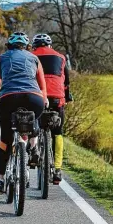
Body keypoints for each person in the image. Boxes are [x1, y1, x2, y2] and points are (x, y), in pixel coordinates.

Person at [0, 32, 48, 194]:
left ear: (9, 46)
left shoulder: (1, 58)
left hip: (8, 98)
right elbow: (42, 84)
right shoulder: (34, 58)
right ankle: (33, 145)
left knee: (5, 138)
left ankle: (0, 178)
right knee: (33, 122)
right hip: (34, 98)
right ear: (26, 46)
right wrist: (44, 100)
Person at [31, 33, 72, 184]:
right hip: (56, 99)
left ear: (35, 46)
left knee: (32, 120)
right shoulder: (61, 57)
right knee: (58, 132)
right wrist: (66, 97)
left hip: (37, 96)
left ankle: (33, 149)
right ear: (49, 45)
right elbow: (66, 82)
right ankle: (58, 169)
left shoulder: (31, 56)